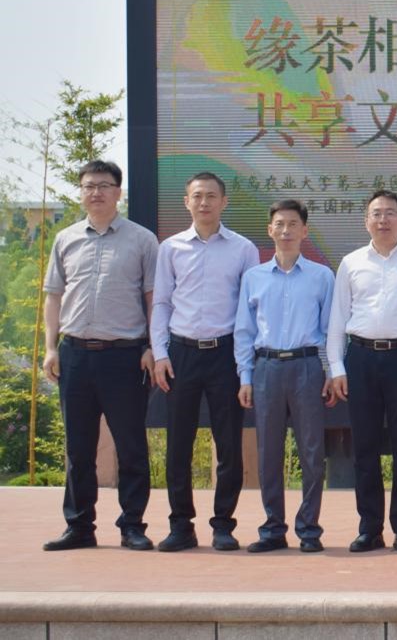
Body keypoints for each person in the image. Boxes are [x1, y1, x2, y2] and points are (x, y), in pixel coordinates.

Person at [41, 160, 159, 551]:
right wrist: (51, 348)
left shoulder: (142, 240)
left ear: (118, 192)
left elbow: (153, 299)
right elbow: (53, 296)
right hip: (75, 355)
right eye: (89, 186)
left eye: (104, 185)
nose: (96, 192)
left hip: (125, 357)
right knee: (78, 448)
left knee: (131, 446)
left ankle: (132, 525)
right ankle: (79, 527)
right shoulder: (66, 239)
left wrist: (152, 346)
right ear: (81, 192)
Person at [326, 189, 397, 553]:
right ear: (366, 222)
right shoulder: (351, 263)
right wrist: (336, 367)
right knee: (364, 447)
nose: (383, 220)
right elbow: (337, 319)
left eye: (390, 213)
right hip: (360, 358)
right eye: (376, 214)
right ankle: (370, 528)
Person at [149, 171, 259, 552]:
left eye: (211, 196)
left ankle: (223, 525)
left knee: (228, 445)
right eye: (197, 196)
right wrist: (160, 353)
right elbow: (162, 303)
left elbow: (248, 311)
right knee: (178, 444)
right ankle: (181, 525)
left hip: (225, 353)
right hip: (181, 354)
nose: (204, 202)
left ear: (224, 202)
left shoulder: (243, 249)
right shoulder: (171, 248)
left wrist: (245, 365)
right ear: (187, 202)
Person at [234, 199, 336, 553]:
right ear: (270, 230)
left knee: (312, 451)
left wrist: (330, 370)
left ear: (305, 231)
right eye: (279, 224)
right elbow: (244, 331)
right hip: (267, 368)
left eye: (293, 224)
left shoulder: (322, 276)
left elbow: (330, 329)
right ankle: (273, 529)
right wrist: (245, 376)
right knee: (268, 452)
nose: (286, 230)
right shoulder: (254, 277)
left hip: (307, 367)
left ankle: (309, 529)